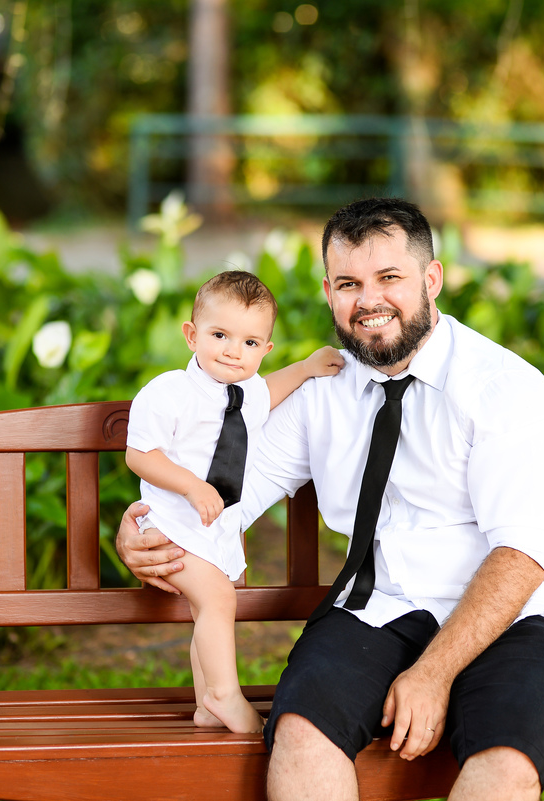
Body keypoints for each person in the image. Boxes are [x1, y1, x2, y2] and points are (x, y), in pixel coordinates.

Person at [117, 198, 544, 801]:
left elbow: (522, 556)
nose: (369, 301)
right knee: (301, 734)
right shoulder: (323, 391)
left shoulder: (504, 389)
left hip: (512, 622)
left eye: (389, 278)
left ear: (431, 279)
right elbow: (230, 495)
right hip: (376, 608)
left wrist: (432, 674)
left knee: (503, 766)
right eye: (348, 283)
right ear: (328, 291)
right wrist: (154, 533)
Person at [125, 269, 343, 734]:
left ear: (264, 350)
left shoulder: (246, 393)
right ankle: (225, 693)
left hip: (210, 533)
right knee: (220, 599)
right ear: (191, 335)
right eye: (219, 335)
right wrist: (191, 485)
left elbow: (272, 389)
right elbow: (139, 455)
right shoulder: (170, 392)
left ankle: (206, 704)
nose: (231, 350)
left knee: (209, 608)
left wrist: (305, 368)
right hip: (169, 526)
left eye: (249, 343)